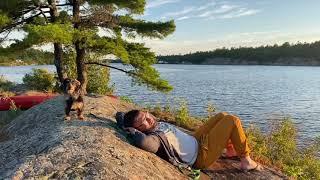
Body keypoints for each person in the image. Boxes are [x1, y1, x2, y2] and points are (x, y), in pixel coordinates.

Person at [116, 110, 263, 171]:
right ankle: (246, 161)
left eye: (147, 114)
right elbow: (144, 143)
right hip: (199, 155)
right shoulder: (155, 138)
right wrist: (133, 131)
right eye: (144, 121)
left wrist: (123, 122)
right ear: (140, 129)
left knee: (222, 115)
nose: (149, 119)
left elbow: (119, 115)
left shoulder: (152, 124)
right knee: (232, 120)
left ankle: (231, 151)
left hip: (194, 139)